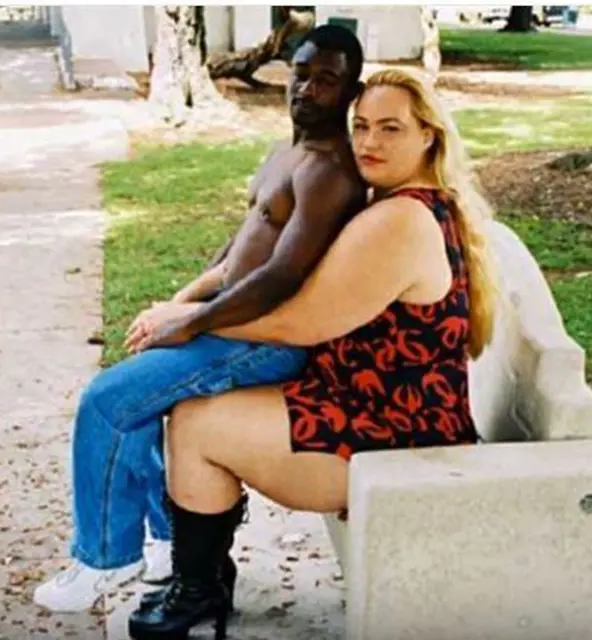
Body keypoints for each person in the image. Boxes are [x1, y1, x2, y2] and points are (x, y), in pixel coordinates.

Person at [126, 68, 498, 640]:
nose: (369, 142)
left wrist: (188, 321)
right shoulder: (403, 203)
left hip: (393, 432)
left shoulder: (399, 219)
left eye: (391, 128)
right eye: (361, 126)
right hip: (369, 403)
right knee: (197, 410)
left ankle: (199, 588)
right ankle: (204, 574)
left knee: (197, 427)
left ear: (429, 136)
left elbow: (299, 322)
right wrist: (196, 304)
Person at [33, 24, 367, 613]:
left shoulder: (329, 171)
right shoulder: (288, 152)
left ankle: (104, 561)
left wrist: (190, 322)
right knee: (139, 395)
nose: (307, 90)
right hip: (232, 320)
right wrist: (184, 299)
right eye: (301, 73)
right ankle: (168, 544)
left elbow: (280, 276)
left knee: (109, 401)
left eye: (326, 81)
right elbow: (243, 246)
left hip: (268, 336)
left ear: (349, 91)